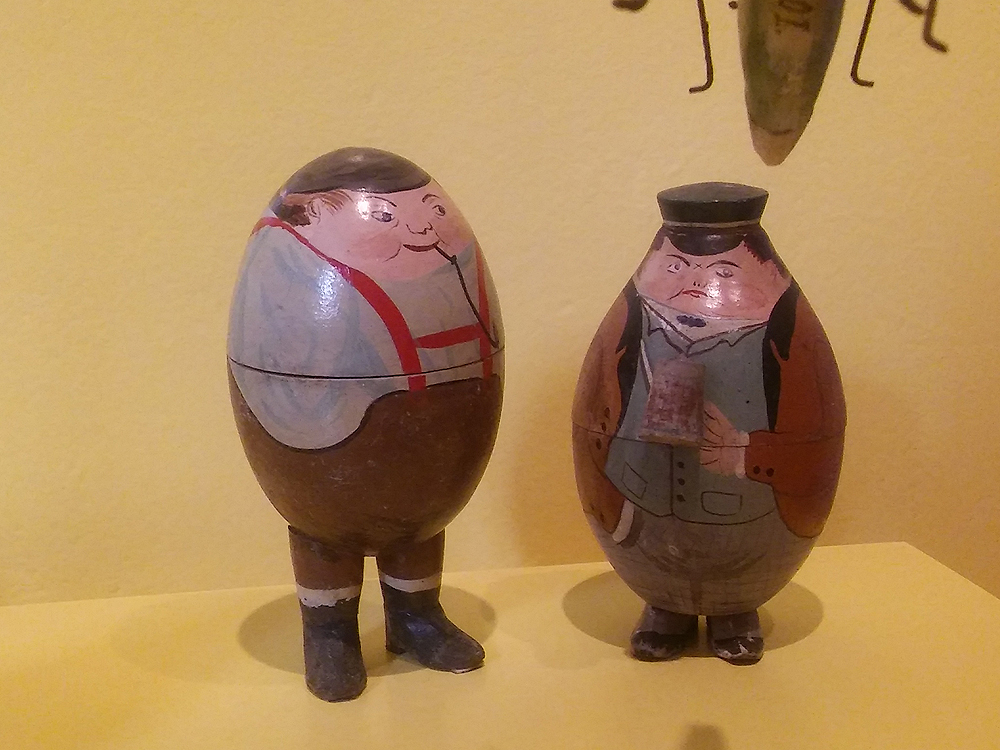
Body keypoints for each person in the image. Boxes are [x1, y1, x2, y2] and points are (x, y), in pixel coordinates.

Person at [228, 148, 503, 701]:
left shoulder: (453, 270)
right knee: (322, 524)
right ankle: (329, 632)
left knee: (421, 516)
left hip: (434, 424)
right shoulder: (287, 260)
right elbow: (281, 346)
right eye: (385, 216)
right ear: (313, 217)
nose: (422, 227)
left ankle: (416, 617)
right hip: (334, 428)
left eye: (431, 210)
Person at [572, 209, 845, 664]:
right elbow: (597, 412)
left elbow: (813, 436)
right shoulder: (632, 325)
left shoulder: (784, 338)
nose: (695, 281)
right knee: (656, 552)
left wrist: (744, 455)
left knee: (734, 555)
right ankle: (664, 610)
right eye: (676, 266)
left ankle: (735, 614)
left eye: (724, 271)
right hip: (644, 492)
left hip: (739, 508)